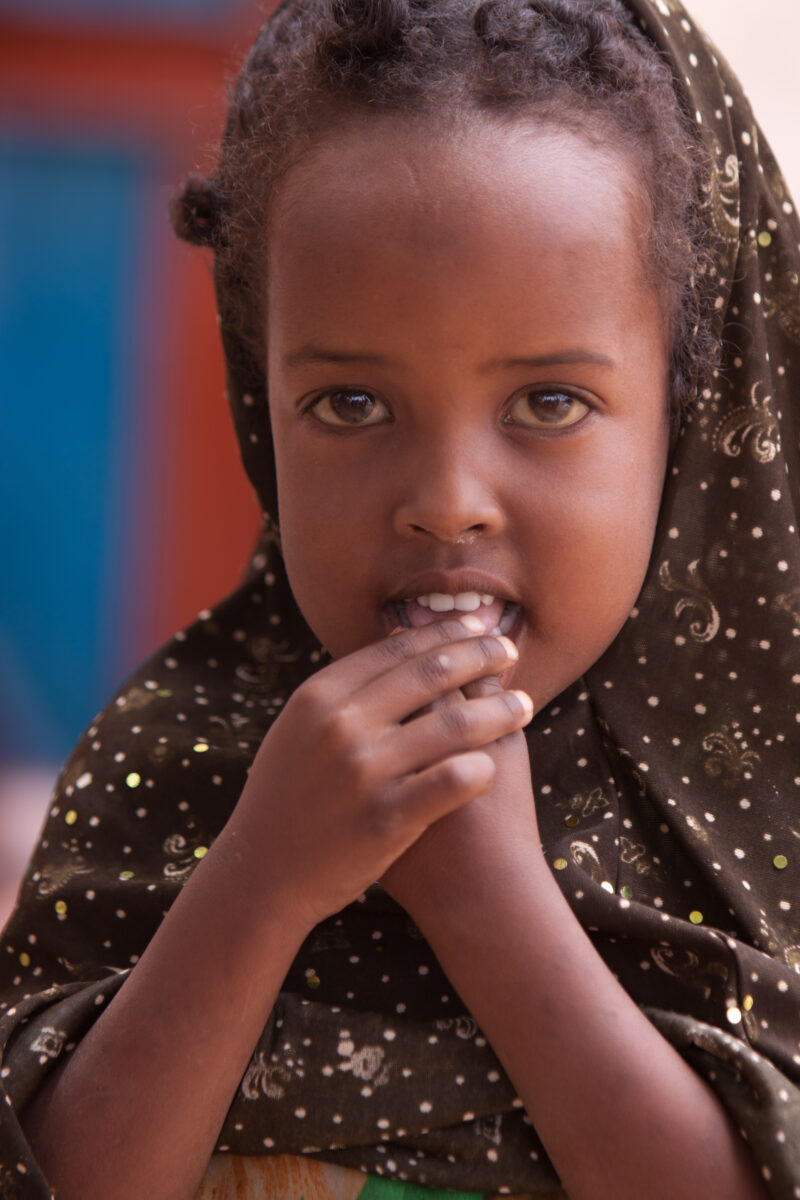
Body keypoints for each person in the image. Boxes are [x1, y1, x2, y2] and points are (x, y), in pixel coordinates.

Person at [0, 0, 798, 1196]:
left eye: (547, 403)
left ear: (683, 418)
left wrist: (488, 902)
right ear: (256, 397)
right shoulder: (180, 765)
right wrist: (261, 880)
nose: (445, 503)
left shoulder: (758, 797)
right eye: (352, 406)